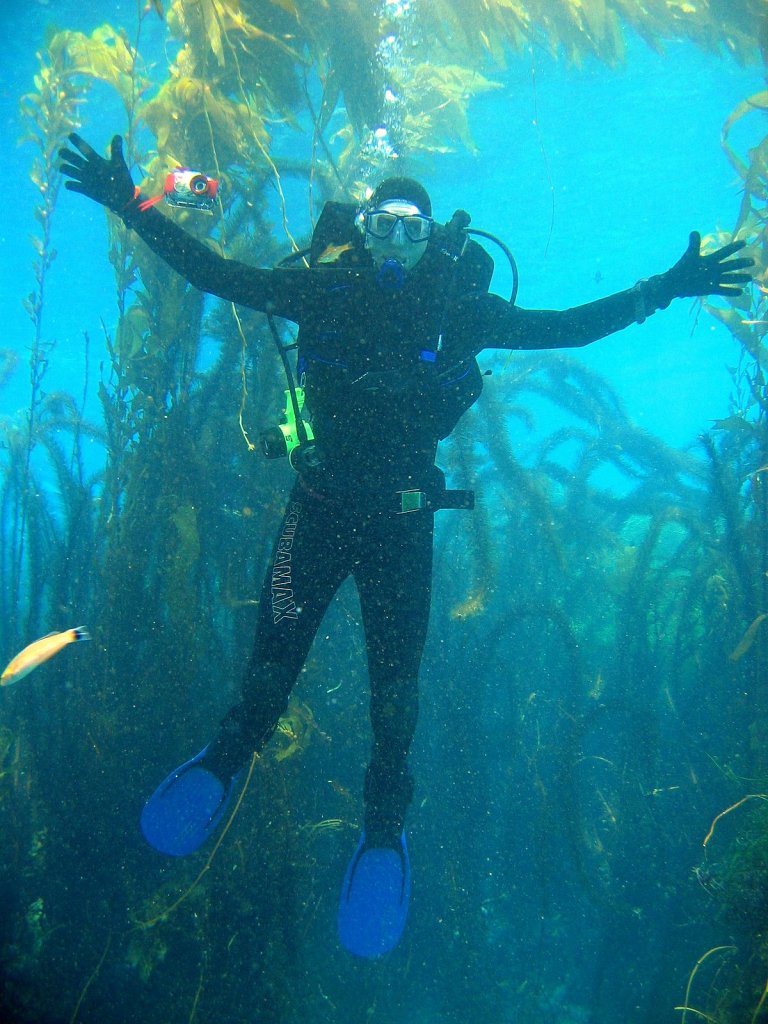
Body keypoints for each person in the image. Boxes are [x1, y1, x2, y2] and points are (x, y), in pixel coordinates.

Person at [60, 134, 752, 958]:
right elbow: (218, 275)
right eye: (382, 226)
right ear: (362, 230)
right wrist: (131, 203)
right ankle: (230, 751)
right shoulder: (326, 289)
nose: (395, 243)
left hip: (402, 526)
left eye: (411, 229)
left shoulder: (463, 310)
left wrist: (662, 289)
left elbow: (567, 327)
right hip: (319, 510)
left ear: (433, 238)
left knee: (395, 693)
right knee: (272, 665)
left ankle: (383, 824)